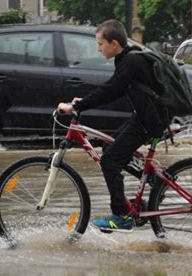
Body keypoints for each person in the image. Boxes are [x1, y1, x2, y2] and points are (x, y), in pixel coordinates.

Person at [57, 19, 168, 232]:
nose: (98, 49)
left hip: (150, 120)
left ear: (114, 43)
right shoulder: (127, 59)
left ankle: (122, 216)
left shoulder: (129, 62)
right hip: (147, 116)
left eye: (100, 44)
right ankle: (156, 181)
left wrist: (77, 106)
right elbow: (113, 88)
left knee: (109, 162)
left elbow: (112, 90)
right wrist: (82, 102)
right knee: (110, 146)